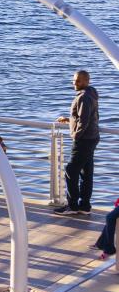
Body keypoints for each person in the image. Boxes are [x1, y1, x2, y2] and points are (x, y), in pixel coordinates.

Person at [56, 70, 101, 216]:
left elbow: (84, 120)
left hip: (84, 140)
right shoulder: (92, 94)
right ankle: (85, 206)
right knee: (86, 173)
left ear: (87, 81)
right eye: (74, 80)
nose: (75, 83)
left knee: (70, 170)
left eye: (79, 81)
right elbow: (88, 117)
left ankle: (73, 206)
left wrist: (76, 135)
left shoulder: (83, 97)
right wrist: (69, 121)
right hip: (92, 138)